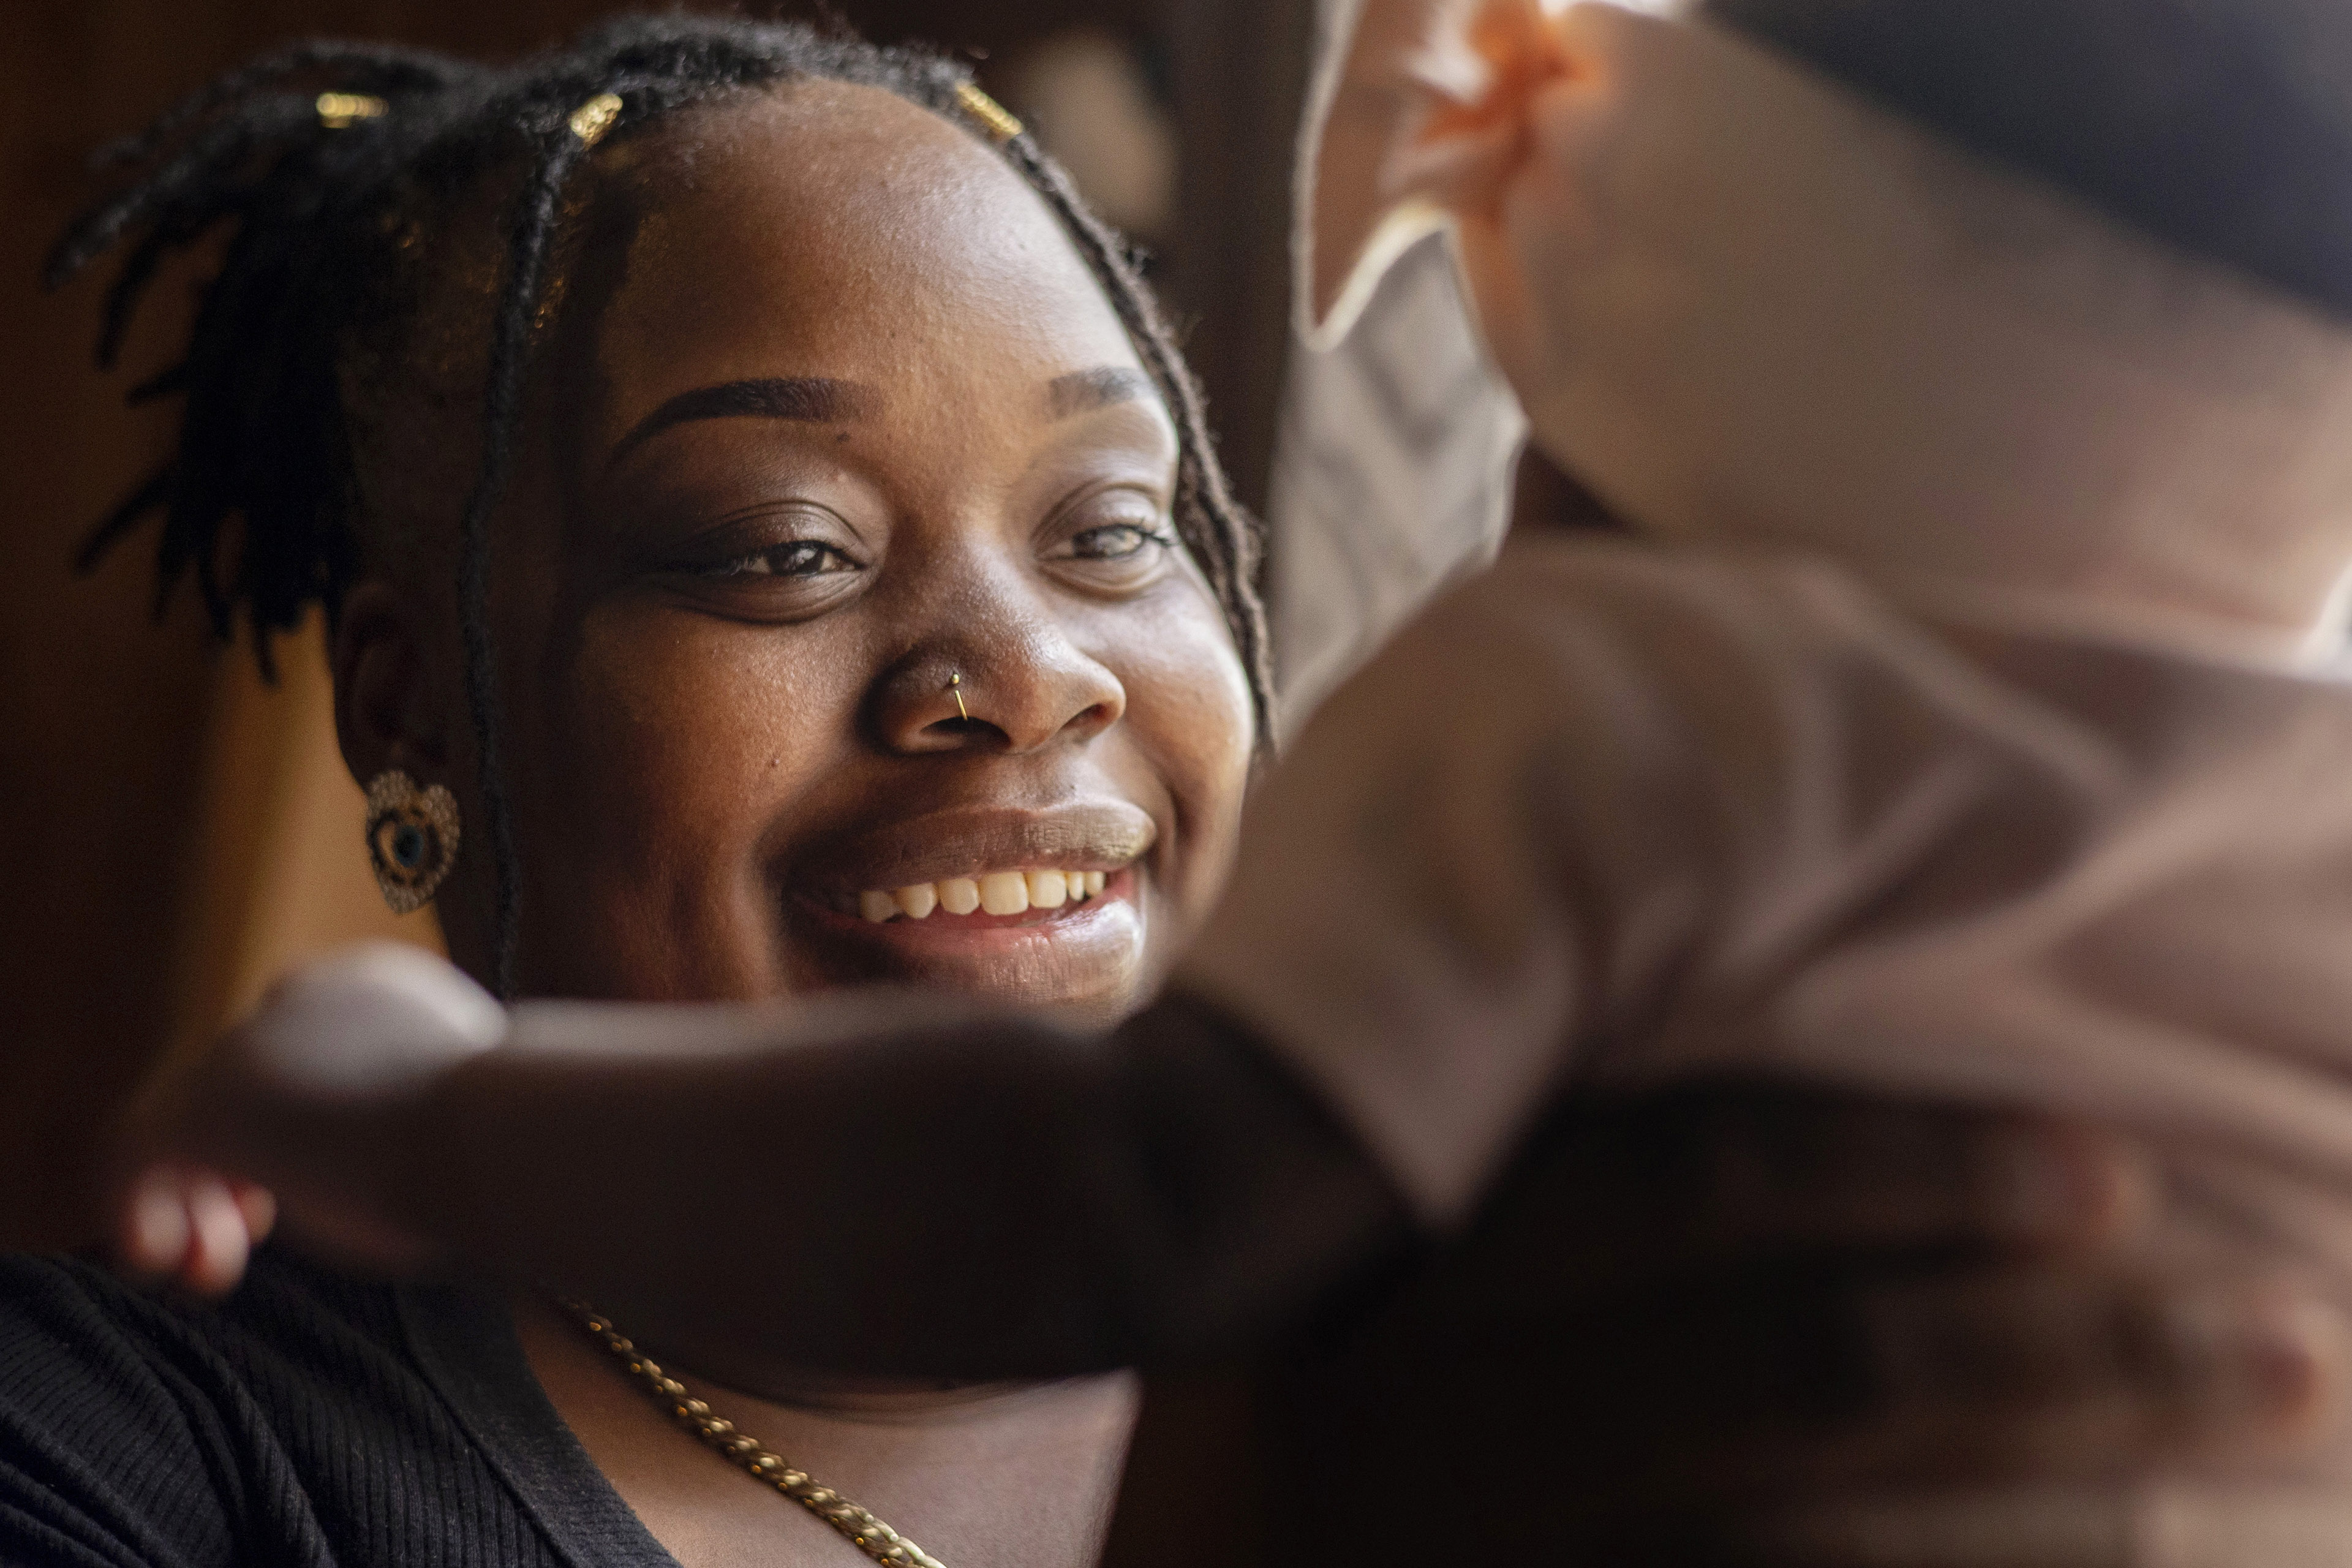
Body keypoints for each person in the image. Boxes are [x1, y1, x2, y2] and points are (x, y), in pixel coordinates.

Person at [9, 15, 2261, 1568]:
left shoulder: (1687, 1340)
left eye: (1116, 530)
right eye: (786, 548)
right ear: (413, 706)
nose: (1021, 676)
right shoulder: (121, 1457)